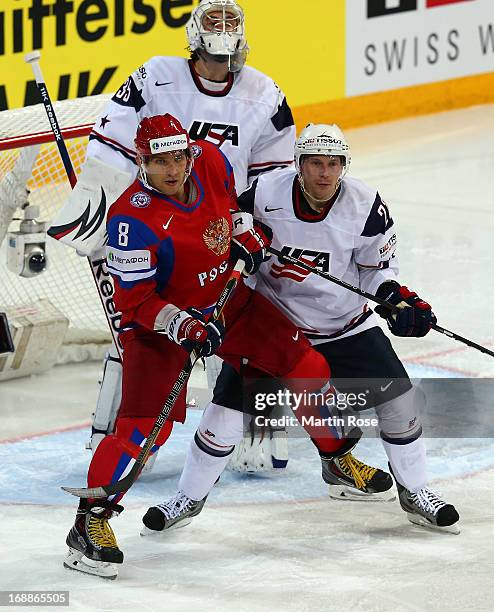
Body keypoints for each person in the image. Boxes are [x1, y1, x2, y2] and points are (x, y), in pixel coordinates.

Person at [63, 115, 392, 579]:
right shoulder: (130, 220)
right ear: (142, 162)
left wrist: (244, 235)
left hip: (228, 299)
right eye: (161, 162)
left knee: (306, 365)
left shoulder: (213, 159)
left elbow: (232, 211)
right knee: (141, 433)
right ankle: (89, 523)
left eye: (179, 157)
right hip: (160, 327)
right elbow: (134, 303)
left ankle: (336, 459)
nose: (174, 170)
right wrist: (182, 325)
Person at [142, 123, 460, 536]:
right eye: (314, 164)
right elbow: (223, 229)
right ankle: (188, 497)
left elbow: (376, 272)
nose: (324, 173)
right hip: (274, 324)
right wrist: (237, 242)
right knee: (226, 412)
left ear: (344, 166)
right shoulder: (264, 193)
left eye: (333, 164)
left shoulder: (366, 205)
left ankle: (416, 491)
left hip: (343, 325)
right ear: (298, 164)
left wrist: (395, 299)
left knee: (399, 401)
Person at [55, 0, 296, 470]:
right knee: (141, 330)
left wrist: (256, 228)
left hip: (226, 230)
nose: (223, 31)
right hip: (158, 231)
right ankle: (120, 437)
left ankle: (259, 433)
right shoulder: (155, 74)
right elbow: (112, 143)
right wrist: (112, 216)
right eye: (214, 20)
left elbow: (274, 175)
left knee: (247, 334)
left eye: (231, 21)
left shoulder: (265, 91)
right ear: (193, 29)